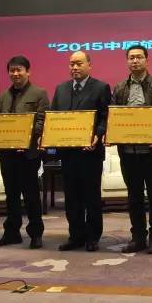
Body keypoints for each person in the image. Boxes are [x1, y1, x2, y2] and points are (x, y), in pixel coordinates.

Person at [50, 51, 111, 252]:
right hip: (68, 153)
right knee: (72, 197)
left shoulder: (101, 87)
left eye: (79, 63)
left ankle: (93, 237)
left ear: (89, 65)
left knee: (91, 197)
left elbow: (106, 117)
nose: (74, 67)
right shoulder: (61, 89)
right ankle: (75, 235)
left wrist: (98, 135)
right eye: (71, 64)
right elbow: (54, 117)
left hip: (90, 152)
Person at [110, 45, 152, 254]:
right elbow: (114, 116)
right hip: (128, 152)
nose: (135, 61)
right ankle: (138, 237)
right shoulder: (119, 88)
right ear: (127, 61)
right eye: (131, 58)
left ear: (147, 60)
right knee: (134, 197)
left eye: (139, 57)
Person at [0, 56, 49, 250]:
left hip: (28, 155)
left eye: (19, 70)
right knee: (11, 195)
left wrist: (25, 140)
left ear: (28, 71)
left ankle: (36, 234)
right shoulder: (4, 96)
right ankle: (12, 233)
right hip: (7, 154)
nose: (15, 74)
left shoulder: (39, 93)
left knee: (31, 195)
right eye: (12, 70)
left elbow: (42, 121)